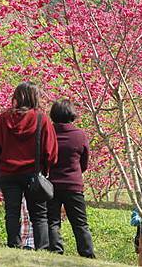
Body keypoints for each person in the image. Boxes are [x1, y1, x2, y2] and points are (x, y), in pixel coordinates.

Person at [0, 81, 58, 249]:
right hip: (33, 173)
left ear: (17, 97)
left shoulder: (3, 118)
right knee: (39, 214)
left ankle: (13, 244)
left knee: (12, 211)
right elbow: (50, 151)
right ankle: (42, 247)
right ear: (35, 97)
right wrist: (47, 167)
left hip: (8, 173)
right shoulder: (42, 119)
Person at [47, 99, 95, 258]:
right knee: (80, 223)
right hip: (73, 185)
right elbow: (84, 163)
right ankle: (87, 254)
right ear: (72, 115)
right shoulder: (79, 135)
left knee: (52, 221)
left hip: (51, 184)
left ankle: (55, 251)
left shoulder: (48, 133)